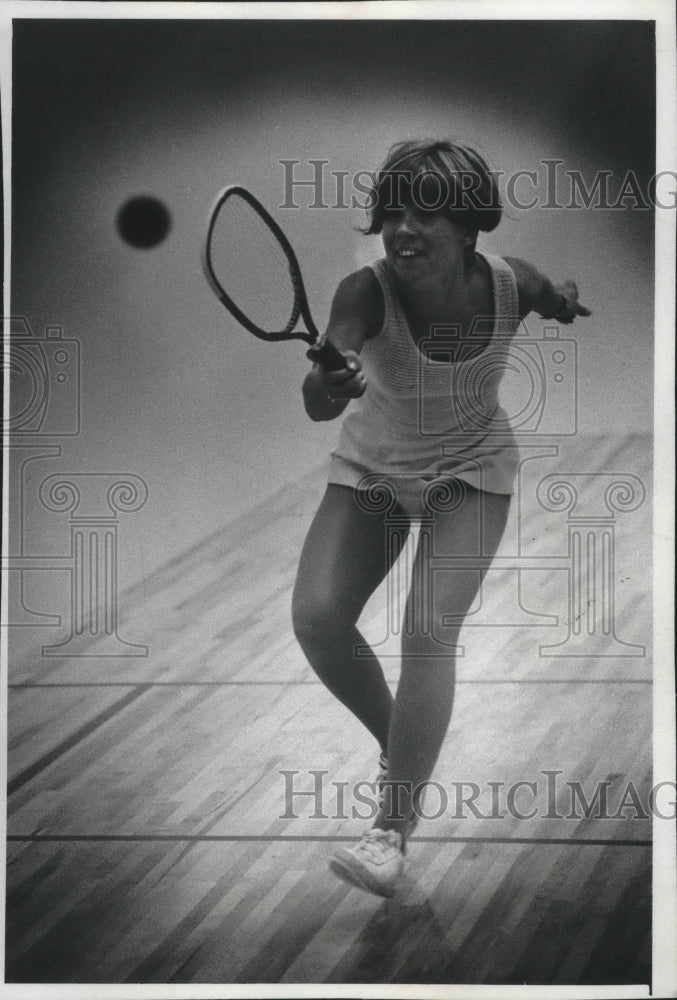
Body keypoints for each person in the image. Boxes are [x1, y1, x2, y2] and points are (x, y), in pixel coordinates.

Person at [291, 138, 591, 897]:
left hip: (470, 469)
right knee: (318, 618)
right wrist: (332, 381)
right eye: (391, 211)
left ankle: (388, 833)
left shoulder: (507, 282)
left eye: (425, 210)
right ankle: (406, 750)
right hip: (373, 472)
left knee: (428, 631)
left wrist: (562, 299)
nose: (402, 227)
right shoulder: (362, 293)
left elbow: (547, 291)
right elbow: (317, 397)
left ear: (468, 226)